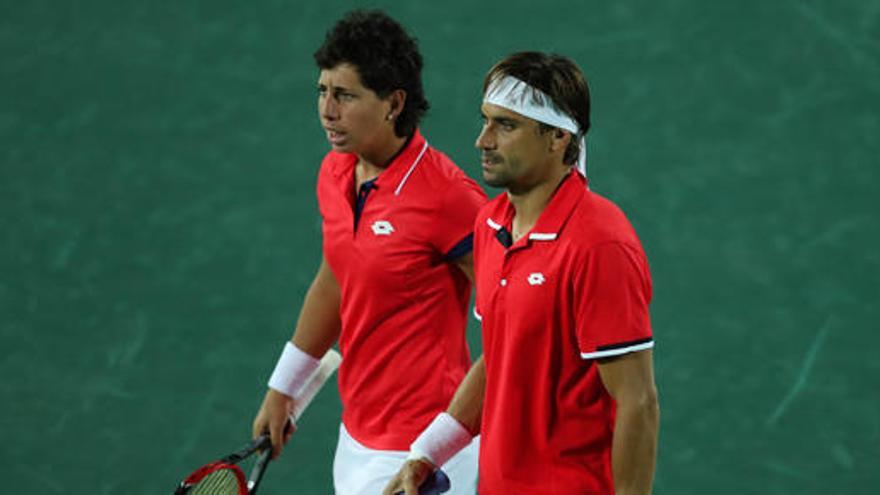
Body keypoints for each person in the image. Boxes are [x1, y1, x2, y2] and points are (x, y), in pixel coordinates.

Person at [384, 52, 660, 495]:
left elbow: (638, 403)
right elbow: (501, 354)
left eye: (505, 125)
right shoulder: (491, 224)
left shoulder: (599, 244)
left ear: (556, 138)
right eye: (485, 120)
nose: (482, 140)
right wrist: (427, 453)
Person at [251, 10, 485, 494]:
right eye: (322, 91)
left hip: (426, 451)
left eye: (345, 95)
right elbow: (336, 278)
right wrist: (284, 387)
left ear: (393, 103)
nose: (327, 110)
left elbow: (512, 316)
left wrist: (443, 441)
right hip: (356, 438)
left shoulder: (447, 198)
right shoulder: (335, 174)